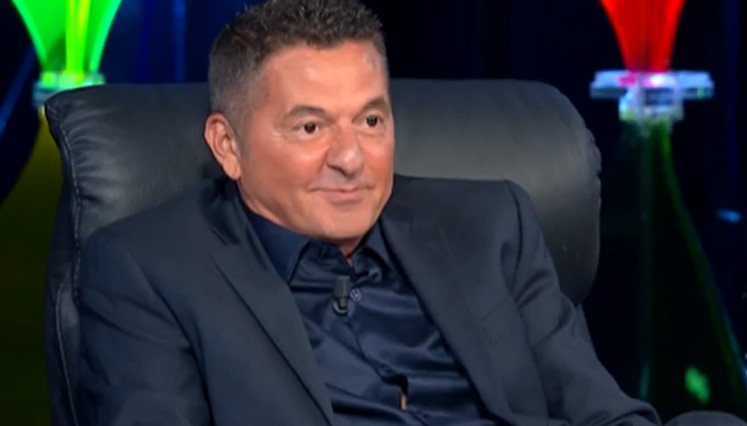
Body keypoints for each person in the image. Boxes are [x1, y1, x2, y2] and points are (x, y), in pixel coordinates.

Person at [76, 0, 746, 425]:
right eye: (310, 128)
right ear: (228, 146)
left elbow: (601, 412)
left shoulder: (491, 223)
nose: (352, 158)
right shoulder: (150, 268)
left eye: (371, 120)